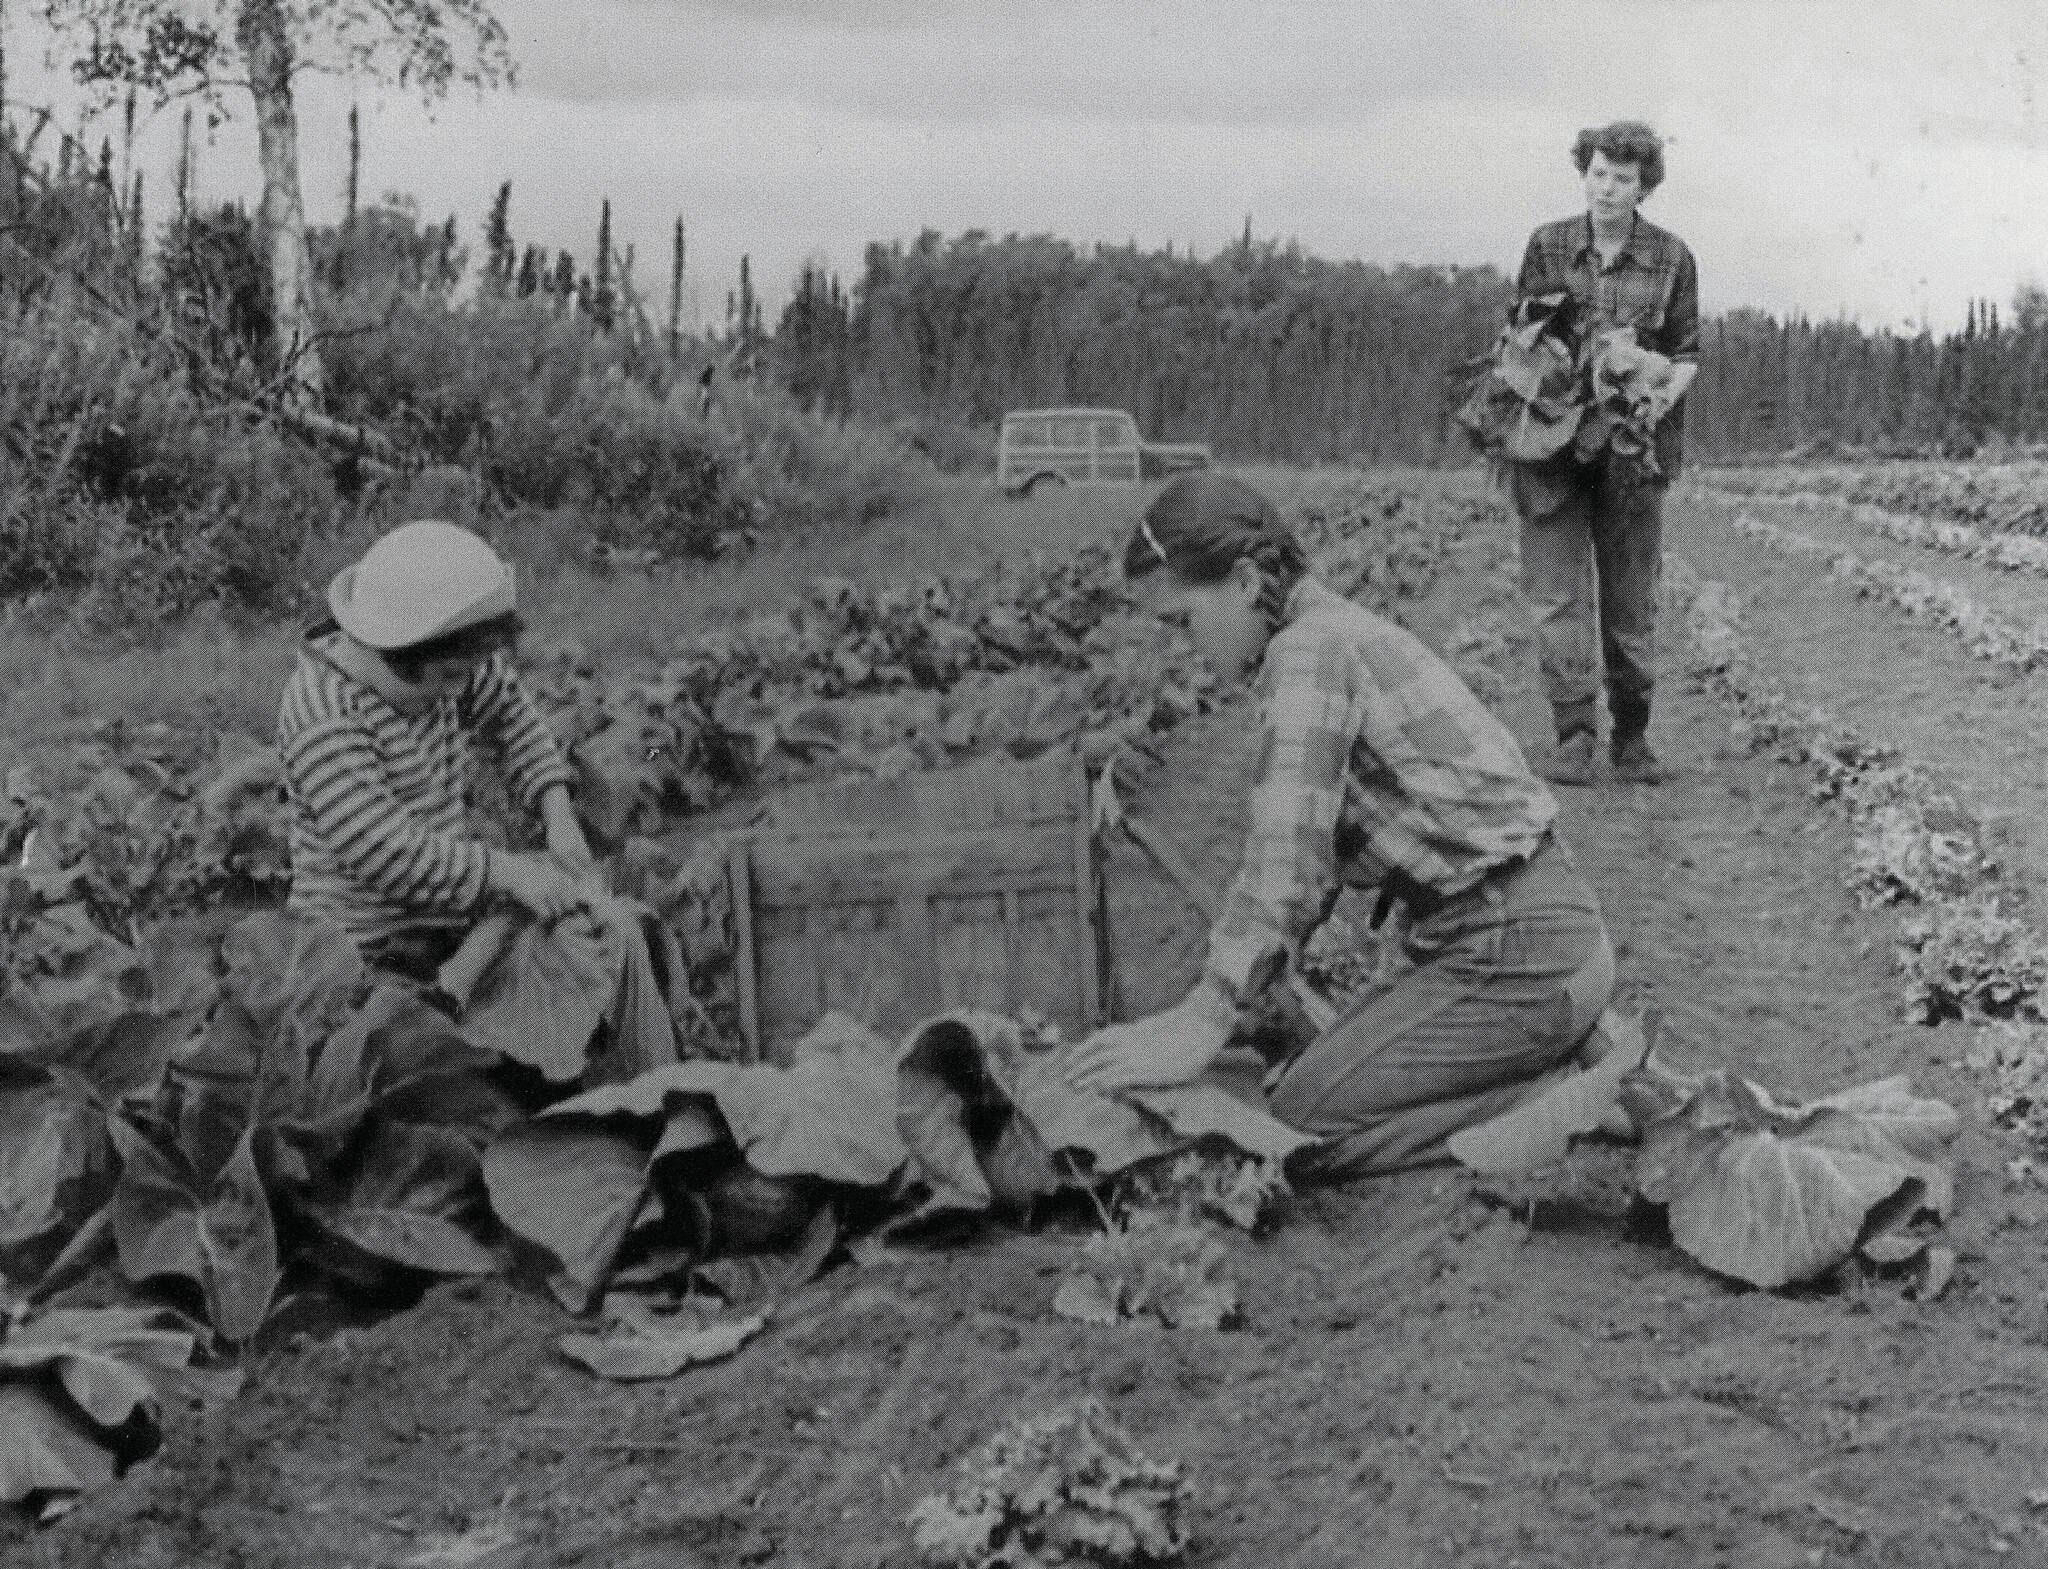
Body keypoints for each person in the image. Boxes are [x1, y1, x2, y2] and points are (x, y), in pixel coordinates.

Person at [1067, 473, 1618, 1179]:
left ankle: (1572, 1098)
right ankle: (1561, 1052)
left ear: (1242, 581)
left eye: (1184, 622)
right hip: (1535, 935)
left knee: (1297, 1126)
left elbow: (1286, 864)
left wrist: (1204, 1017)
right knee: (1308, 1074)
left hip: (1514, 951)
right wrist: (1247, 997)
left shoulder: (1307, 654)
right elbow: (1308, 865)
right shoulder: (1336, 631)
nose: (1188, 648)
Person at [277, 518, 599, 980]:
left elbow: (512, 713)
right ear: (398, 653)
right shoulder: (324, 710)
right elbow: (385, 850)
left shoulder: (442, 671)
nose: (463, 688)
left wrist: (558, 814)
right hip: (355, 950)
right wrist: (509, 873)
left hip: (441, 922)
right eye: (452, 675)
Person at [1511, 119, 1699, 786]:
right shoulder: (1549, 244)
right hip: (1553, 448)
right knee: (1556, 593)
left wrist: (1653, 396)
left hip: (1633, 450)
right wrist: (1563, 378)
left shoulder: (1672, 256)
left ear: (1644, 185)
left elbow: (1685, 353)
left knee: (1631, 597)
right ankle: (1572, 734)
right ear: (1582, 172)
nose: (1609, 188)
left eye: (1624, 178)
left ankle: (1632, 736)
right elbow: (1523, 337)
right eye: (1598, 174)